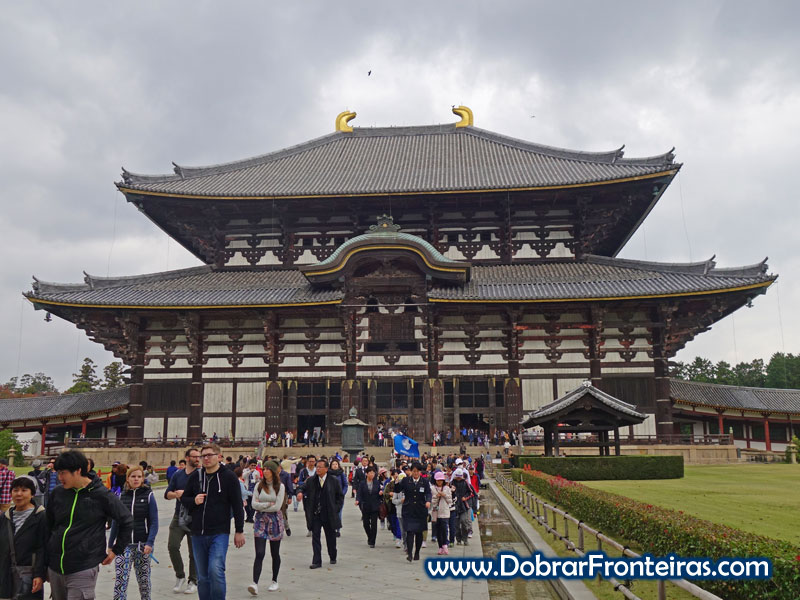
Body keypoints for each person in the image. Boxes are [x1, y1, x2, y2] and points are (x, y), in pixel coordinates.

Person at [46, 449, 133, 600]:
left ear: (78, 470)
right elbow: (48, 527)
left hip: (83, 565)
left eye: (63, 473)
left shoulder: (101, 495)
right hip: (55, 566)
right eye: (58, 473)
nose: (59, 477)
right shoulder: (58, 493)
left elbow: (126, 520)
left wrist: (115, 550)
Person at [181, 443, 245, 600]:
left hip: (219, 532)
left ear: (219, 457)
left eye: (210, 455)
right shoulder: (196, 476)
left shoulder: (228, 477)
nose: (206, 458)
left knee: (215, 570)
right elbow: (184, 499)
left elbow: (237, 505)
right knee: (203, 577)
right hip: (197, 533)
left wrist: (239, 530)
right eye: (204, 456)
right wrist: (194, 500)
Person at [108, 466, 159, 600]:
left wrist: (150, 542)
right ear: (127, 478)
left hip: (142, 546)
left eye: (139, 476)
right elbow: (115, 522)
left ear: (142, 479)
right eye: (133, 476)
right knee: (120, 581)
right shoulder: (120, 496)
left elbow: (154, 522)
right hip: (123, 546)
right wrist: (110, 544)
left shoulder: (148, 495)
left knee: (144, 582)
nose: (136, 479)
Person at [0, 477, 47, 599]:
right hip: (6, 574)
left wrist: (39, 574)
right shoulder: (5, 517)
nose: (19, 494)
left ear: (32, 494)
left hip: (28, 575)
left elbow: (42, 548)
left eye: (24, 490)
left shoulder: (41, 517)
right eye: (15, 490)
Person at [165, 447, 200, 594]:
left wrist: (184, 494)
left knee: (194, 552)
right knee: (172, 546)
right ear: (187, 458)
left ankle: (194, 580)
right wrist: (176, 495)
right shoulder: (178, 475)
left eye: (199, 457)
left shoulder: (201, 475)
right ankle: (180, 576)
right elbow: (167, 494)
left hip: (195, 516)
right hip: (178, 515)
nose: (197, 459)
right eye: (194, 457)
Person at [248, 461, 285, 595]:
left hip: (275, 520)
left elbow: (277, 506)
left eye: (269, 469)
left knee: (275, 553)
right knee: (259, 553)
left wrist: (261, 504)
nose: (266, 471)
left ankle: (274, 580)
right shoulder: (259, 485)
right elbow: (253, 504)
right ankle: (255, 583)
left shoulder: (280, 487)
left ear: (274, 472)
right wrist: (267, 504)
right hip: (260, 520)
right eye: (265, 469)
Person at [301, 459, 343, 569]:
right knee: (315, 537)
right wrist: (299, 492)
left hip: (329, 514)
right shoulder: (311, 481)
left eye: (320, 467)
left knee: (331, 537)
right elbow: (302, 487)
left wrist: (336, 509)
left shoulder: (333, 481)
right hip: (316, 514)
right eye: (317, 467)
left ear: (326, 469)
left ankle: (332, 555)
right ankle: (317, 561)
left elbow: (340, 497)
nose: (318, 469)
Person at [397, 461, 431, 562]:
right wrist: (396, 482)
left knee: (419, 533)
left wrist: (428, 501)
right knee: (410, 532)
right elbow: (398, 489)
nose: (416, 473)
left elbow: (428, 493)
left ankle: (417, 552)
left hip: (420, 510)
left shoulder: (424, 481)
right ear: (411, 471)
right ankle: (410, 553)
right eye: (414, 471)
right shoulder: (406, 480)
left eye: (417, 471)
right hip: (409, 510)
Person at [354, 466, 382, 547]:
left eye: (373, 473)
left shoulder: (377, 482)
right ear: (366, 474)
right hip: (365, 506)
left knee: (374, 524)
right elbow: (359, 493)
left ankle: (372, 541)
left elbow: (381, 492)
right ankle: (370, 536)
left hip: (375, 506)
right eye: (370, 473)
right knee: (366, 524)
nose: (372, 474)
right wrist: (357, 500)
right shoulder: (362, 483)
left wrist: (381, 493)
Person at [430, 471, 452, 555]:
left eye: (441, 480)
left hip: (445, 511)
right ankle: (440, 547)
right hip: (436, 512)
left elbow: (450, 500)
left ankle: (445, 544)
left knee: (444, 528)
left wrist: (444, 495)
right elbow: (431, 501)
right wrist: (436, 496)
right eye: (438, 480)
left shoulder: (447, 488)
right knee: (438, 530)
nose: (439, 482)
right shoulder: (432, 488)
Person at [295, 455, 316, 537]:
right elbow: (299, 482)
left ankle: (315, 528)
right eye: (310, 461)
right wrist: (305, 482)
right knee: (308, 512)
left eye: (313, 461)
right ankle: (310, 528)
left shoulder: (317, 471)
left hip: (316, 494)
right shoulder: (303, 471)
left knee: (316, 512)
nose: (311, 463)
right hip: (307, 494)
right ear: (307, 462)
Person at [451, 468, 474, 546]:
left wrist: (465, 497)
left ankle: (465, 538)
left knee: (464, 522)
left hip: (464, 505)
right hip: (455, 505)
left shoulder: (466, 482)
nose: (458, 478)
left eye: (459, 477)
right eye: (457, 477)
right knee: (456, 524)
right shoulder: (452, 483)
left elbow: (471, 492)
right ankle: (458, 539)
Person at [327, 459, 347, 537]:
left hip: (339, 497)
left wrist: (343, 493)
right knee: (331, 513)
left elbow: (345, 484)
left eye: (336, 464)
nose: (335, 465)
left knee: (339, 513)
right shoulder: (328, 474)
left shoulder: (341, 473)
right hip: (330, 496)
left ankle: (338, 529)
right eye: (333, 464)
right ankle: (332, 528)